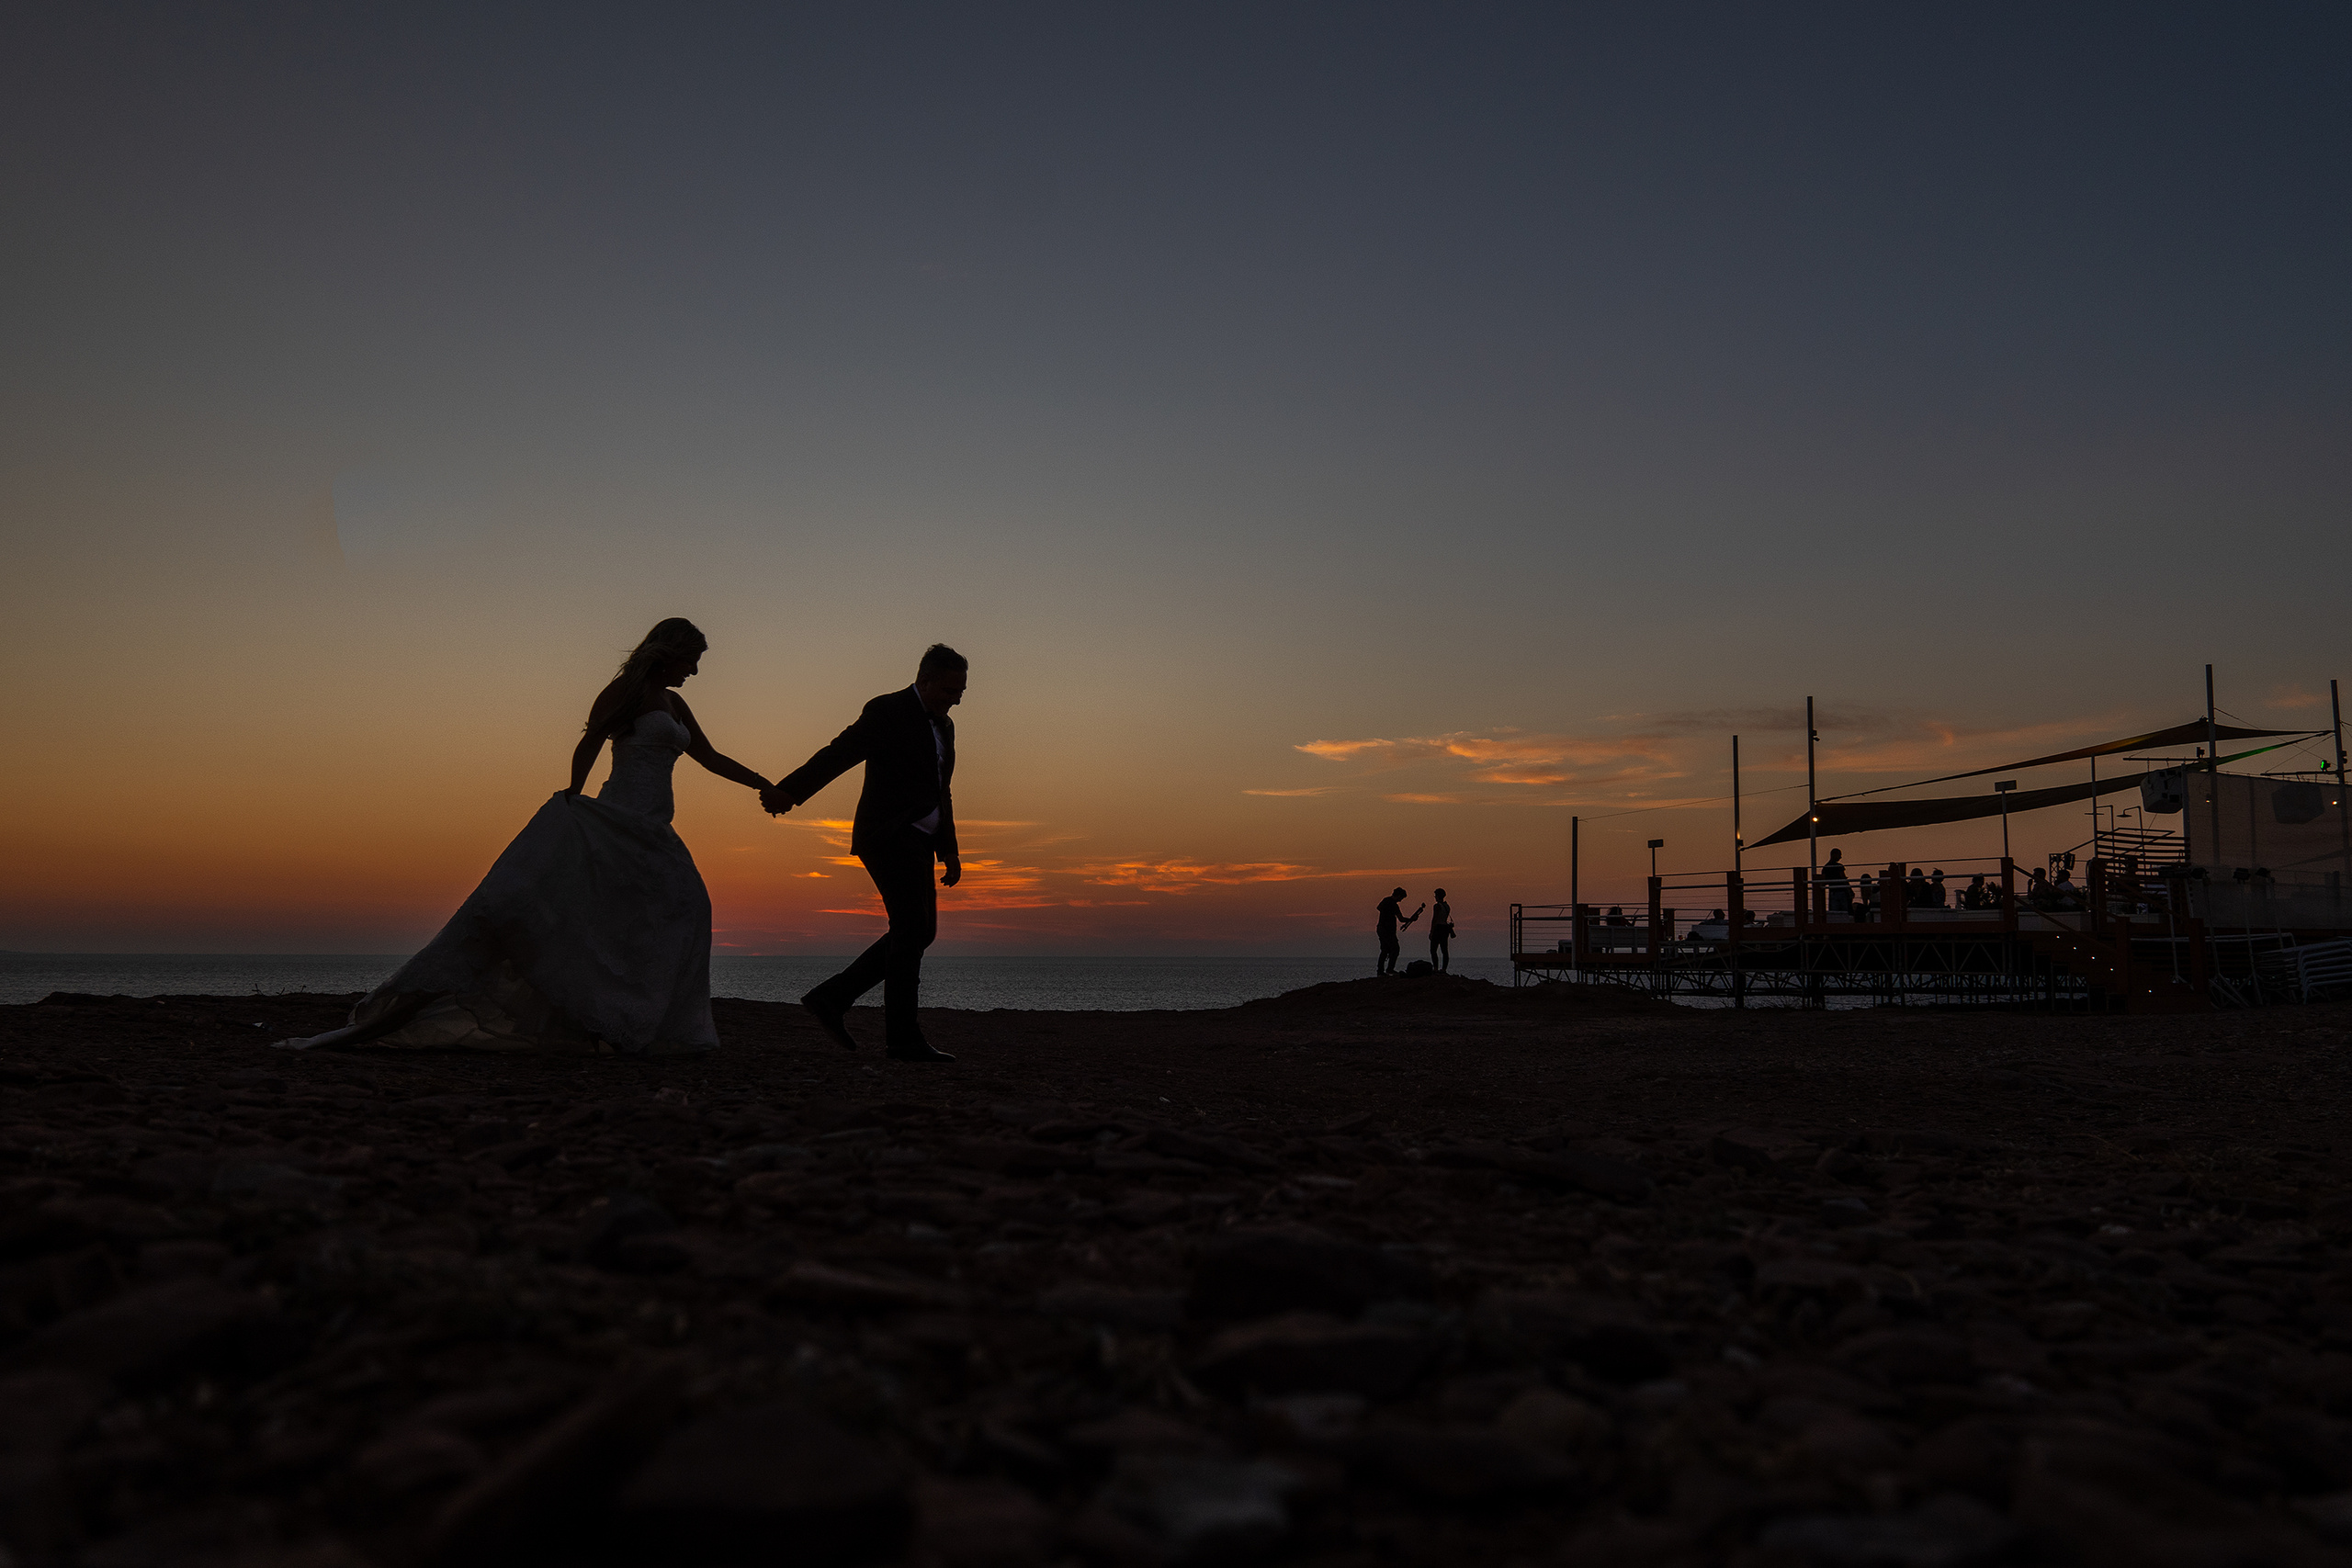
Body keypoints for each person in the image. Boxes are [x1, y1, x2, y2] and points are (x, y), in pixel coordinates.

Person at [279, 618, 769, 1053]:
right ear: (670, 652)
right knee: (584, 913)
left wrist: (764, 784)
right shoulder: (627, 691)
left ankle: (625, 1016)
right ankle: (605, 1020)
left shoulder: (676, 704)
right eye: (693, 659)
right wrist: (574, 797)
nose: (695, 671)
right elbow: (592, 739)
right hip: (613, 818)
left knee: (682, 907)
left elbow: (709, 757)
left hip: (655, 825)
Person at [763, 645, 967, 1062]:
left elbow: (941, 789)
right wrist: (790, 791)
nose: (957, 699)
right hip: (889, 835)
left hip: (922, 840)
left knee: (919, 932)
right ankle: (901, 1039)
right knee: (911, 930)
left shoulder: (944, 725)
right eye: (949, 690)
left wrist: (949, 850)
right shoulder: (888, 710)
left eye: (962, 691)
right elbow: (840, 753)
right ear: (924, 681)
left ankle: (833, 999)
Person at [1374, 887, 1424, 975]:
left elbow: (1379, 908)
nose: (1401, 900)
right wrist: (1411, 919)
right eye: (1401, 898)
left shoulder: (1385, 900)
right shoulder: (1394, 905)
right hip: (1388, 930)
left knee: (1385, 950)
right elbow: (1401, 919)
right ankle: (1389, 969)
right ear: (1399, 895)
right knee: (1395, 949)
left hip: (1381, 928)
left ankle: (1380, 971)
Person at [1427, 888, 1454, 973]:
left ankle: (1435, 968)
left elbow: (1434, 919)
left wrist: (1431, 932)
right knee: (1444, 950)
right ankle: (1444, 969)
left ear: (1438, 896)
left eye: (1435, 895)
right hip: (1445, 929)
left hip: (1438, 928)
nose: (1435, 897)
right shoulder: (1447, 906)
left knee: (1433, 950)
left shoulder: (1437, 906)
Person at [1819, 848, 1851, 913]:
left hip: (1833, 891)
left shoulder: (1826, 867)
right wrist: (1850, 889)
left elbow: (1824, 881)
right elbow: (1843, 879)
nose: (1840, 857)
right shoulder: (1839, 866)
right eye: (1839, 855)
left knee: (1834, 912)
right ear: (1834, 854)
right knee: (1845, 911)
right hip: (1842, 891)